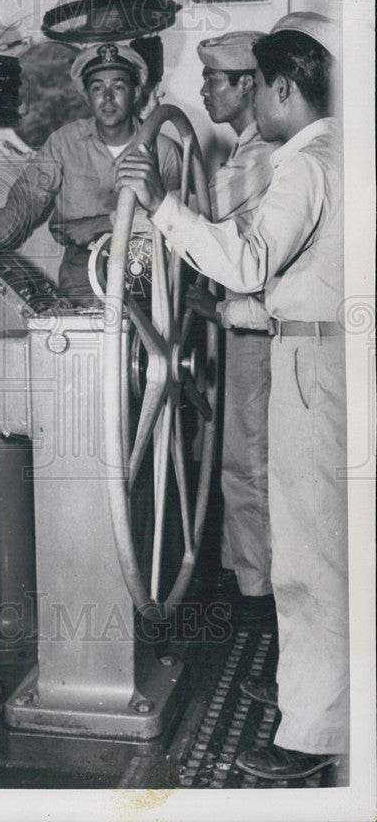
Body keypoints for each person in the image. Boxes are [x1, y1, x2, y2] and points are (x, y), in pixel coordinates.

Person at [115, 12, 347, 781]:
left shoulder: (303, 164)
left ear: (278, 87)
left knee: (311, 558)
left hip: (314, 376)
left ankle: (312, 738)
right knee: (327, 549)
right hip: (319, 349)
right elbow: (300, 286)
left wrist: (160, 208)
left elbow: (247, 260)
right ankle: (314, 698)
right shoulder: (341, 156)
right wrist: (228, 313)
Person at [0, 42, 181, 302]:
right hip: (81, 281)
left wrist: (104, 223)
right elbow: (24, 206)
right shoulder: (63, 144)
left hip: (147, 276)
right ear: (87, 96)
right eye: (97, 88)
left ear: (135, 93)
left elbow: (180, 220)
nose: (107, 98)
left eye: (118, 87)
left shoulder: (165, 151)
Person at [188, 32, 277, 628]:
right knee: (232, 453)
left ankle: (257, 601)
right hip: (235, 320)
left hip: (256, 327)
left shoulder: (261, 156)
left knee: (248, 459)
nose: (203, 90)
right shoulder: (247, 151)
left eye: (215, 80)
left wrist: (139, 208)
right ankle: (244, 575)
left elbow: (206, 215)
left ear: (248, 85)